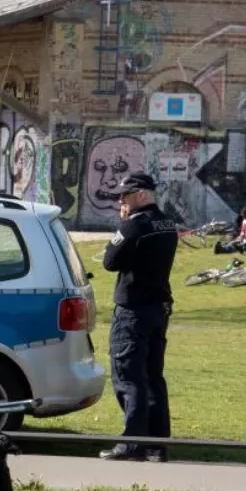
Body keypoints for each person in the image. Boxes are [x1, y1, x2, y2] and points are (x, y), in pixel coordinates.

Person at [99, 173, 178, 463]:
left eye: (126, 195)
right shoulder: (167, 224)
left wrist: (122, 224)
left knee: (128, 376)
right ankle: (157, 444)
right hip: (158, 308)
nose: (121, 200)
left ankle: (132, 443)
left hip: (133, 311)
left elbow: (110, 261)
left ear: (142, 195)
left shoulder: (134, 225)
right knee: (153, 377)